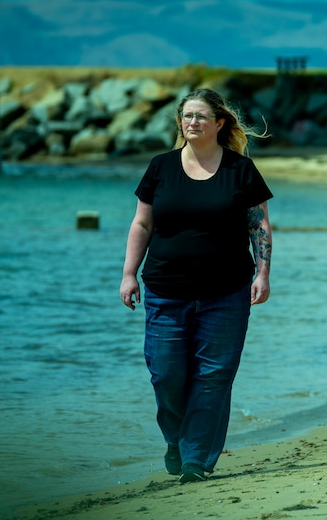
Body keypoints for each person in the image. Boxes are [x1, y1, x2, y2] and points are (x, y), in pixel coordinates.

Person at [119, 88, 273, 484]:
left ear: (219, 123)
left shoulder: (241, 171)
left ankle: (196, 459)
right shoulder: (161, 167)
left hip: (227, 293)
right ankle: (177, 439)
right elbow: (142, 223)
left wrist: (263, 272)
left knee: (214, 375)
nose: (192, 123)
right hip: (166, 291)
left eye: (201, 116)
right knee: (165, 373)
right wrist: (128, 274)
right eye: (187, 116)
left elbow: (259, 224)